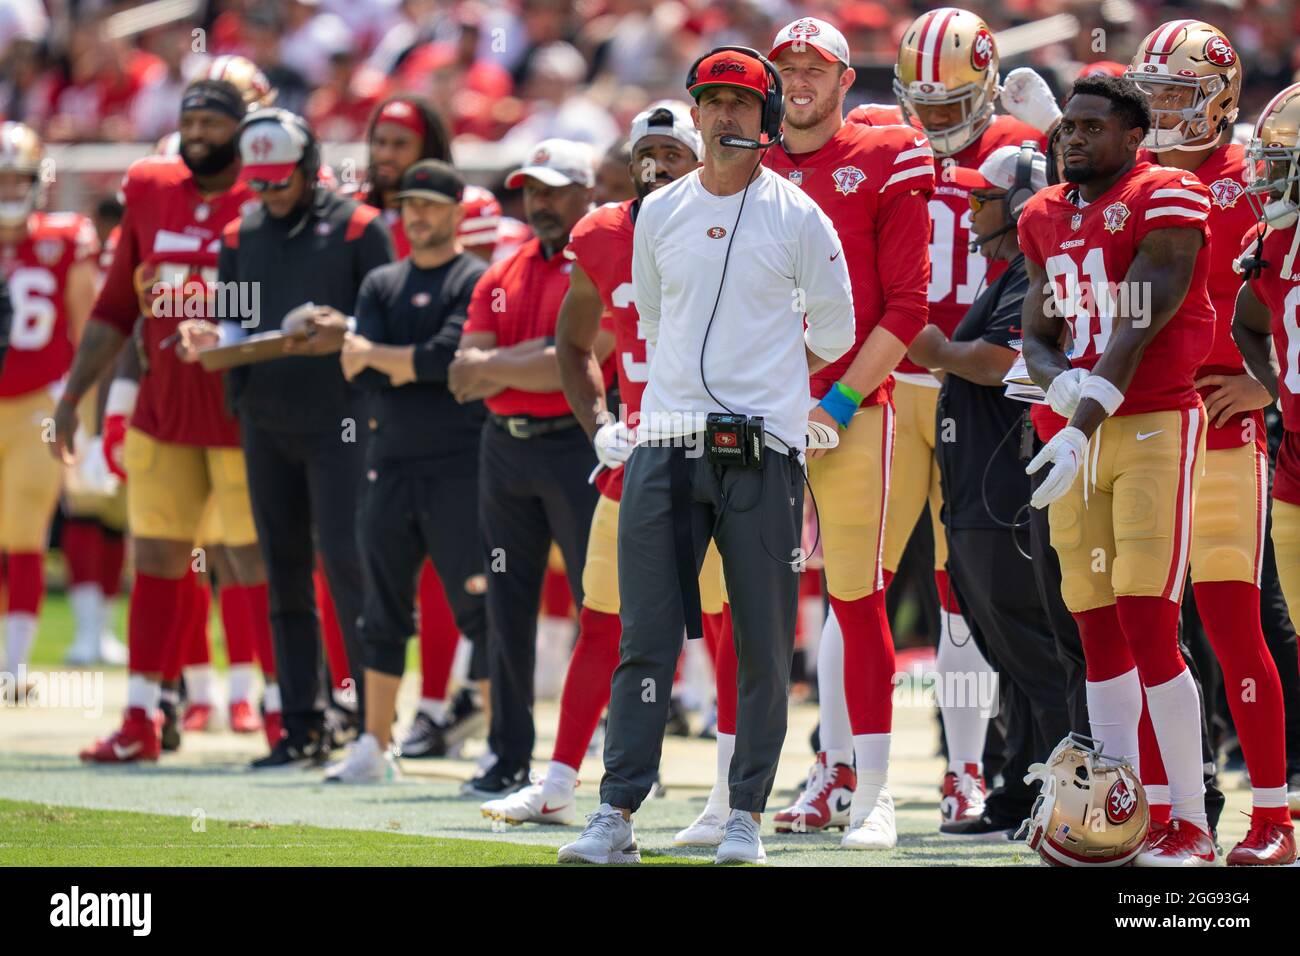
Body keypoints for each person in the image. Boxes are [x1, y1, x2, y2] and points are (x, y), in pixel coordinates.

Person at [558, 47, 853, 866]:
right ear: (695, 113)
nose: (725, 115)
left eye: (740, 101)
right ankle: (616, 812)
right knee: (643, 638)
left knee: (760, 640)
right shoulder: (657, 213)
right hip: (667, 442)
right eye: (712, 101)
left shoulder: (800, 215)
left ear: (766, 117)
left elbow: (835, 332)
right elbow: (653, 317)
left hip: (762, 449)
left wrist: (768, 367)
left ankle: (745, 816)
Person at [481, 101, 729, 828]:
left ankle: (727, 796)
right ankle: (559, 780)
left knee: (723, 627)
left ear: (701, 158)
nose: (655, 165)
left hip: (720, 458)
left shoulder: (736, 223)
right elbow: (574, 342)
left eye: (671, 152)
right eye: (644, 152)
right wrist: (600, 425)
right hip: (638, 458)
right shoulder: (602, 233)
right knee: (600, 620)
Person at [848, 8, 1047, 822]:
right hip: (895, 377)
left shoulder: (1020, 152)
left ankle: (981, 764)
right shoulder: (882, 142)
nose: (933, 120)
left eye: (949, 102)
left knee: (977, 586)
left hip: (983, 384)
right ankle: (842, 762)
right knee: (862, 581)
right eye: (919, 103)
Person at [1020, 74, 1218, 866]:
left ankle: (1191, 821)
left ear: (1134, 136)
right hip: (1075, 430)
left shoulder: (1164, 193)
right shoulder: (1043, 214)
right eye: (1066, 126)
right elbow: (1034, 327)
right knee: (1096, 629)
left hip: (1149, 424)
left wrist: (1080, 418)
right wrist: (1057, 380)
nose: (1071, 137)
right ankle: (1123, 811)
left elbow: (1138, 321)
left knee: (1148, 623)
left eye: (1091, 126)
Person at [53, 76, 272, 764]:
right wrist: (72, 398)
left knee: (254, 563)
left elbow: (288, 300)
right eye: (191, 122)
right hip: (162, 409)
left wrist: (219, 311)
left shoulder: (272, 191)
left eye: (214, 122)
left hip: (244, 413)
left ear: (245, 129)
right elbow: (118, 306)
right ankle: (142, 717)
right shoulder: (149, 186)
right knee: (156, 558)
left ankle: (281, 711)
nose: (200, 133)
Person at [760, 18, 935, 848]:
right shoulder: (744, 162)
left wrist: (834, 406)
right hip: (752, 412)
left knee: (857, 596)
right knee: (737, 605)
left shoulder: (886, 154)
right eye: (785, 66)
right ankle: (735, 790)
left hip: (850, 412)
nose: (798, 78)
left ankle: (873, 793)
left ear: (842, 80)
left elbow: (907, 306)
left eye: (813, 67)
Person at [1124, 20, 1293, 866]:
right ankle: (1168, 813)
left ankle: (1272, 816)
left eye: (1177, 97)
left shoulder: (1253, 178)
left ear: (1222, 102)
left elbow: (1283, 292)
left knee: (1231, 626)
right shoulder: (1130, 179)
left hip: (1222, 431)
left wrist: (1266, 380)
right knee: (1148, 629)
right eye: (1150, 96)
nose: (1159, 114)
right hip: (1149, 427)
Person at [191, 108, 394, 769]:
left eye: (279, 182)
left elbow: (388, 324)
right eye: (258, 183)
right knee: (282, 572)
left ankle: (372, 727)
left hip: (342, 419)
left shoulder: (359, 226)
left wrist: (349, 327)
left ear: (309, 170)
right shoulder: (239, 230)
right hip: (266, 418)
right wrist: (206, 342)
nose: (267, 195)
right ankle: (299, 723)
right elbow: (231, 331)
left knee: (346, 565)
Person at [909, 143, 1073, 838]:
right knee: (1005, 652)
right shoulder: (1003, 274)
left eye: (983, 200)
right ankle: (1016, 791)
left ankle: (1066, 794)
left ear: (1018, 206)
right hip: (976, 489)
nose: (971, 212)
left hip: (1006, 491)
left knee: (1032, 650)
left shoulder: (1028, 275)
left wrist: (931, 348)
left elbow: (1003, 359)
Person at [319, 160, 488, 781]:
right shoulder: (383, 281)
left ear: (455, 210)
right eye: (408, 204)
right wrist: (398, 361)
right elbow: (354, 365)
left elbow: (449, 360)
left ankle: (501, 747)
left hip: (459, 466)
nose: (416, 215)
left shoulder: (475, 277)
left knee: (478, 604)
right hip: (386, 462)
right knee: (380, 610)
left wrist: (388, 358)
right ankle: (373, 744)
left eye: (429, 203)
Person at [450, 138, 608, 799]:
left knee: (597, 604)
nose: (538, 202)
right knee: (506, 604)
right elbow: (462, 373)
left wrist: (505, 365)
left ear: (585, 194)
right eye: (531, 190)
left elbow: (571, 362)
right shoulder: (503, 267)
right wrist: (530, 363)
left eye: (553, 190)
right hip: (506, 447)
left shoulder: (599, 260)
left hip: (577, 443)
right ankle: (506, 752)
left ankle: (609, 752)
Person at [0, 121, 97, 689]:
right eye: (2, 182)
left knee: (24, 533)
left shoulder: (65, 237)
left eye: (18, 181)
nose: (10, 192)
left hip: (39, 401)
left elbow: (88, 328)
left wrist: (82, 408)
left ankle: (13, 666)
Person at [1230, 79, 1300, 862]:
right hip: (1293, 465)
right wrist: (1275, 385)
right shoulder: (1276, 243)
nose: (1269, 180)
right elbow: (1251, 316)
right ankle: (1277, 825)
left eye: (1286, 167)